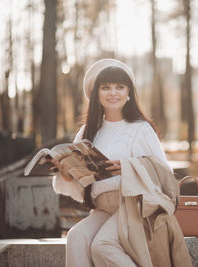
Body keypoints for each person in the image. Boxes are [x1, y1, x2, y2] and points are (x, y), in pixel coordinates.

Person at [52, 58, 184, 267]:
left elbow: (164, 175)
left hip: (134, 207)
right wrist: (68, 175)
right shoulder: (87, 132)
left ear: (129, 93)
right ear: (97, 94)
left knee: (103, 245)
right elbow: (83, 188)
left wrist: (131, 167)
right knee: (76, 237)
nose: (113, 93)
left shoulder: (140, 128)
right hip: (102, 208)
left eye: (119, 87)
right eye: (106, 87)